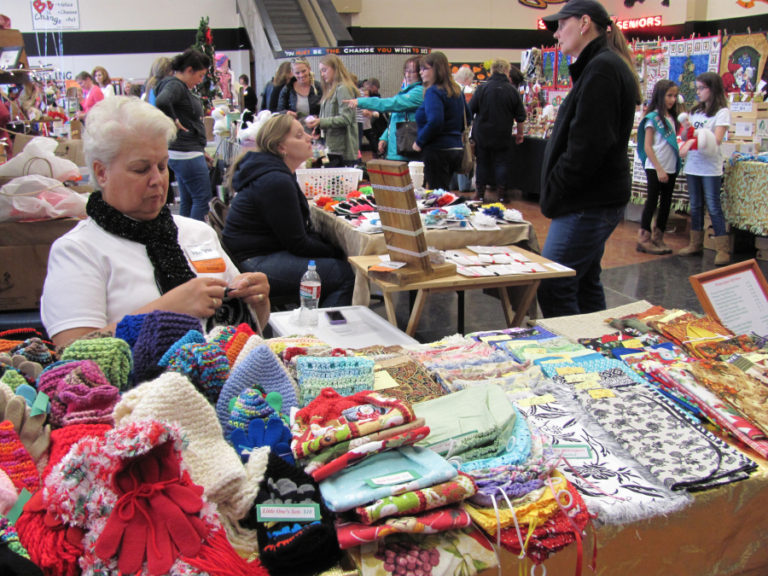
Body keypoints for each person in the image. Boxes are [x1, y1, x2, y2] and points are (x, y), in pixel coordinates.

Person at [41, 96, 270, 347]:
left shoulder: (197, 233)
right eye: (140, 169)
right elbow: (71, 354)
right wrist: (167, 310)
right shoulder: (77, 251)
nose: (157, 180)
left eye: (162, 166)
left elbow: (243, 334)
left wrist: (257, 302)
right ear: (101, 172)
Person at [537, 0, 641, 318]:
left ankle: (576, 363)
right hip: (590, 200)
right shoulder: (601, 66)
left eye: (561, 25)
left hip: (585, 202)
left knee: (554, 285)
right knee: (583, 283)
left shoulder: (603, 68)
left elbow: (587, 147)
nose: (556, 35)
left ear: (584, 23)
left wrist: (555, 189)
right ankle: (597, 354)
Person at [221, 113, 355, 307]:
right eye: (299, 135)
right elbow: (298, 243)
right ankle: (323, 332)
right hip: (254, 262)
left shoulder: (275, 173)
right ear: (281, 147)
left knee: (332, 266)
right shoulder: (276, 180)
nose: (309, 138)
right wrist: (337, 251)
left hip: (255, 254)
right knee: (343, 274)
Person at [677, 71, 732, 266]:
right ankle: (695, 244)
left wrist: (695, 137)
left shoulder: (722, 112)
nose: (698, 92)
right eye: (697, 88)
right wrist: (685, 130)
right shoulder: (695, 111)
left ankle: (722, 248)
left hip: (710, 167)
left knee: (713, 206)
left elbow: (716, 139)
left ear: (712, 88)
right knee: (696, 205)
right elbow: (685, 136)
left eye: (702, 88)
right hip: (693, 165)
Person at [155, 48, 214, 221]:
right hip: (186, 152)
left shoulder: (174, 85)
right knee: (202, 200)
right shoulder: (175, 85)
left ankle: (184, 238)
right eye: (199, 75)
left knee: (189, 200)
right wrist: (174, 120)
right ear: (189, 70)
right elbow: (162, 101)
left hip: (184, 151)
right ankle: (193, 238)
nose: (200, 80)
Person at [343, 56, 423, 162]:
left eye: (412, 72)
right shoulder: (408, 91)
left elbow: (391, 104)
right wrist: (385, 137)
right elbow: (396, 118)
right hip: (397, 151)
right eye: (406, 71)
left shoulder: (419, 92)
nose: (407, 75)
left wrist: (361, 101)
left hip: (407, 153)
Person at [469, 58, 527, 202]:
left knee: (482, 162)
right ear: (507, 71)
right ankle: (501, 194)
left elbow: (470, 110)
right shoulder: (512, 91)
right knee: (501, 163)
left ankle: (480, 194)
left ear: (491, 70)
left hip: (481, 133)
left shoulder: (482, 88)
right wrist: (520, 134)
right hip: (503, 134)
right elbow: (520, 116)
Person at [636, 79, 681, 255]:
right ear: (660, 96)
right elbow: (648, 146)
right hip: (655, 166)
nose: (672, 99)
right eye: (669, 95)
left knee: (666, 203)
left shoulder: (673, 118)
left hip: (670, 166)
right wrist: (659, 169)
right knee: (652, 201)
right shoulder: (653, 118)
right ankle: (644, 238)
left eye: (675, 96)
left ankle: (658, 237)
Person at [413, 51, 468, 190]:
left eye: (425, 68)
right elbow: (467, 115)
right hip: (455, 148)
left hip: (437, 150)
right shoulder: (456, 91)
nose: (421, 72)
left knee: (438, 195)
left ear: (437, 69)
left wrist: (420, 141)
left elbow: (436, 121)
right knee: (443, 192)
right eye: (420, 68)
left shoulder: (434, 91)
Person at [304, 54, 359, 167]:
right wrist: (318, 126)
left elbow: (346, 118)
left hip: (342, 150)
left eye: (324, 70)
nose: (322, 74)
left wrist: (321, 122)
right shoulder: (330, 89)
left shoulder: (342, 89)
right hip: (331, 146)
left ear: (335, 68)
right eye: (321, 71)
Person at [277, 58, 322, 123]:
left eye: (303, 71)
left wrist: (317, 117)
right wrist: (286, 113)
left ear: (309, 69)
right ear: (292, 73)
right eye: (297, 73)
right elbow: (279, 111)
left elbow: (326, 111)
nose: (301, 75)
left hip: (315, 128)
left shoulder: (319, 87)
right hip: (293, 127)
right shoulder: (287, 89)